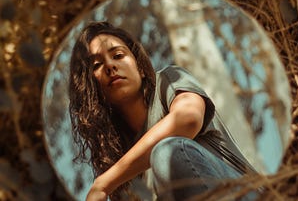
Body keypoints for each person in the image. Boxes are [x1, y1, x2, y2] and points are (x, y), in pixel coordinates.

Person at [69, 21, 256, 201]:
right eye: (97, 65)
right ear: (92, 89)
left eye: (118, 55)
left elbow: (188, 118)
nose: (110, 66)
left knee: (167, 152)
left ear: (140, 68)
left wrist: (105, 182)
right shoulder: (120, 158)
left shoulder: (168, 82)